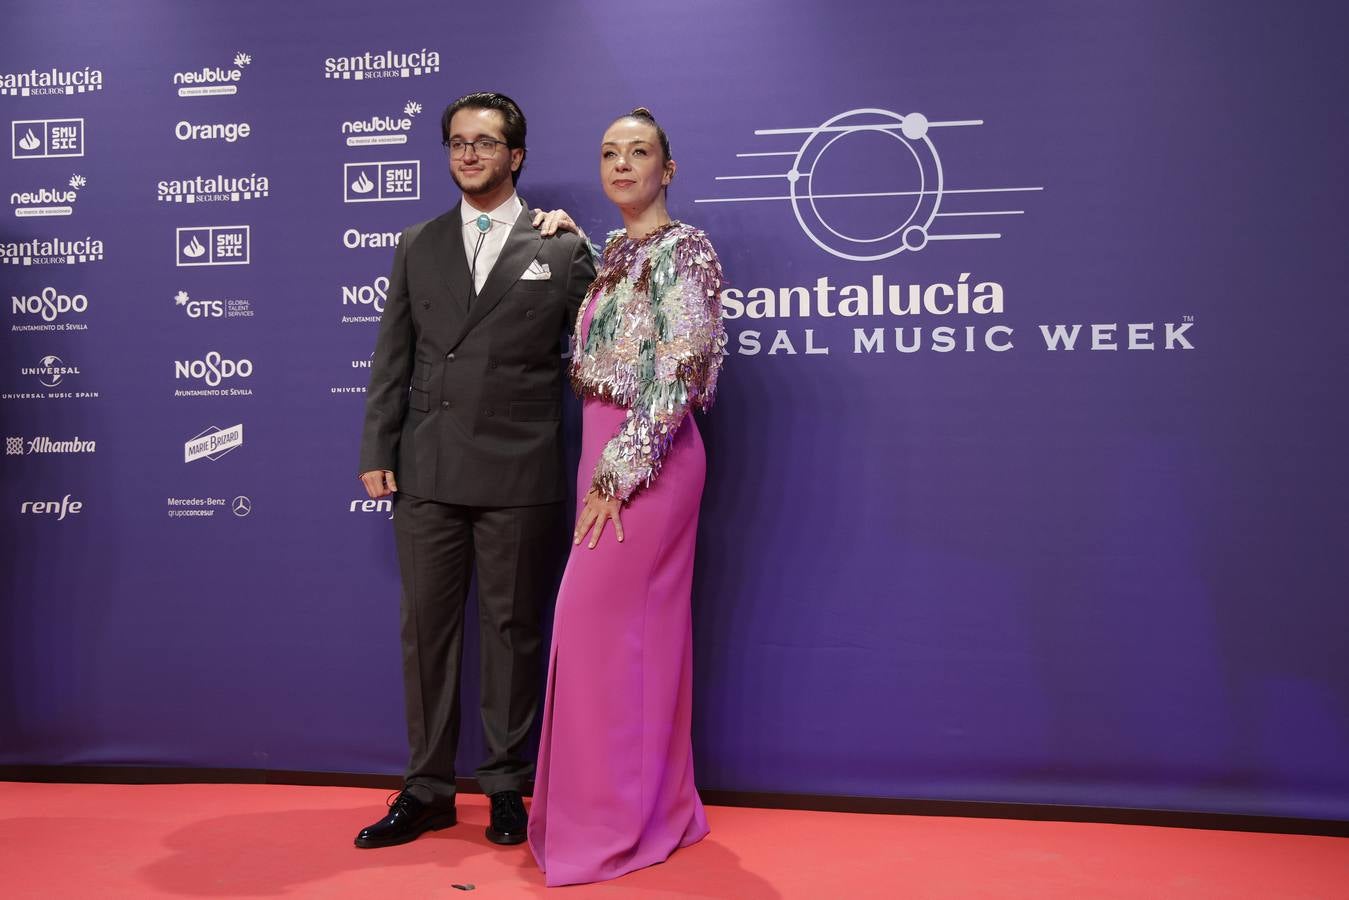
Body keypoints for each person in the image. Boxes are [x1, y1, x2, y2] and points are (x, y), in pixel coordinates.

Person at [355, 91, 595, 849]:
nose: (468, 155)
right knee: (425, 633)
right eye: (457, 142)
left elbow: (607, 348)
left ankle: (506, 786)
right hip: (425, 465)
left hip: (520, 469)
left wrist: (591, 251)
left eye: (485, 143)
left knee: (512, 629)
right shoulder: (416, 241)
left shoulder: (558, 246)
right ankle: (425, 789)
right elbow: (392, 356)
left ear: (514, 155)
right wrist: (376, 449)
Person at [527, 108, 727, 886]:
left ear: (666, 169)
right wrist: (577, 240)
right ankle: (654, 807)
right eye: (609, 153)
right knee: (622, 643)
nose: (621, 165)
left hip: (647, 460)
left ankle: (617, 823)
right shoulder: (616, 250)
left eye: (638, 152)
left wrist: (621, 468)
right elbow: (616, 327)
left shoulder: (688, 251)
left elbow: (678, 365)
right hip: (600, 452)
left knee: (606, 637)